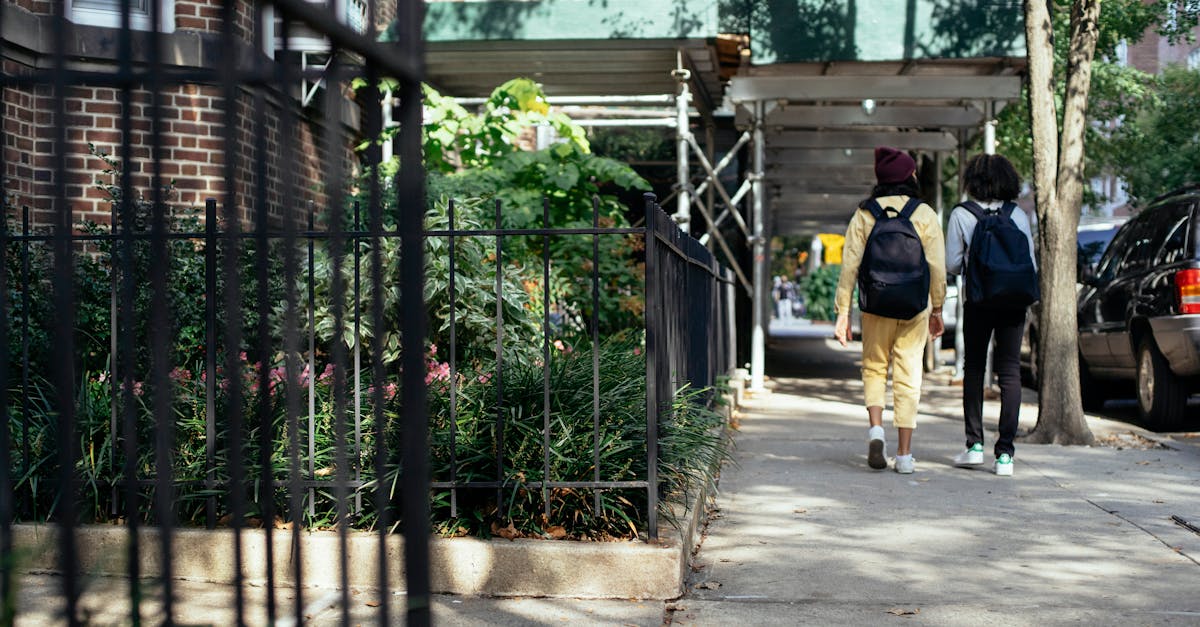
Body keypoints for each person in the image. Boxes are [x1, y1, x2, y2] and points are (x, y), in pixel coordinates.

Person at [834, 147, 946, 474]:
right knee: (908, 375)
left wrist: (843, 312)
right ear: (910, 177)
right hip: (914, 307)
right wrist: (937, 308)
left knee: (873, 367)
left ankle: (876, 431)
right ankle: (906, 455)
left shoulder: (865, 214)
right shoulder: (924, 214)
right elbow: (937, 267)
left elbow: (849, 266)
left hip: (876, 304)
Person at [946, 153, 1035, 477]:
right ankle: (1005, 455)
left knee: (974, 368)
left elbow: (953, 264)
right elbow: (1030, 265)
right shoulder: (1018, 214)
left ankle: (973, 445)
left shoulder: (961, 214)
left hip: (979, 300)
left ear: (973, 181)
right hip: (1014, 302)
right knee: (1010, 370)